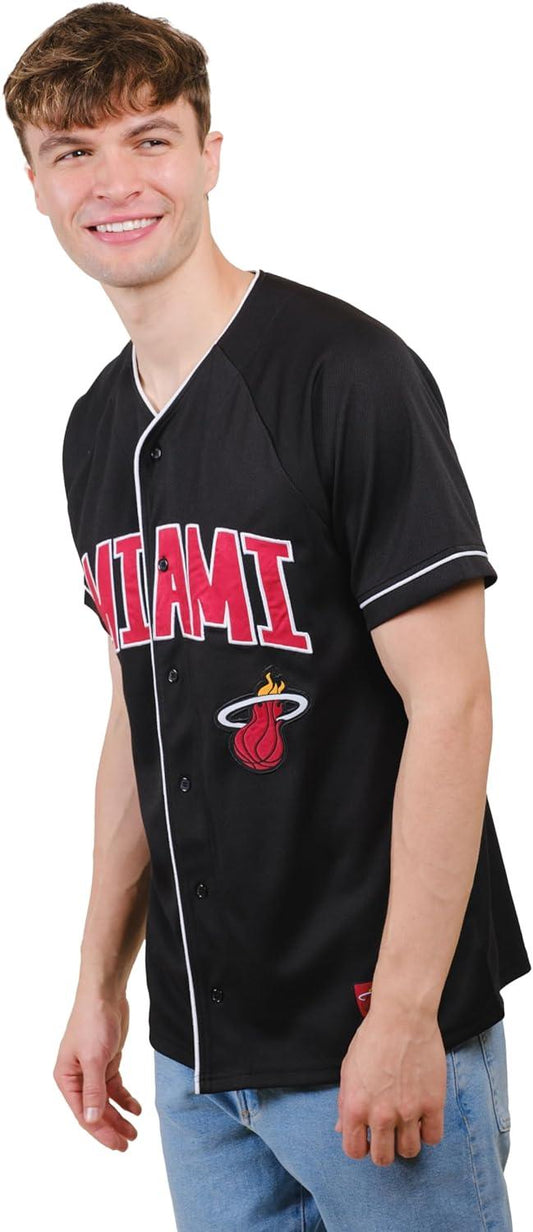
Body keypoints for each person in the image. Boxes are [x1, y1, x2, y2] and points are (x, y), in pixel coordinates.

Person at [4, 5, 531, 1230]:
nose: (114, 182)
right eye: (73, 152)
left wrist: (404, 1010)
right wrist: (98, 980)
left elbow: (451, 700)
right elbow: (142, 707)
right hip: (197, 1058)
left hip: (365, 1035)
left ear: (209, 154)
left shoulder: (345, 375)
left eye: (149, 139)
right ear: (34, 184)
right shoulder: (93, 429)